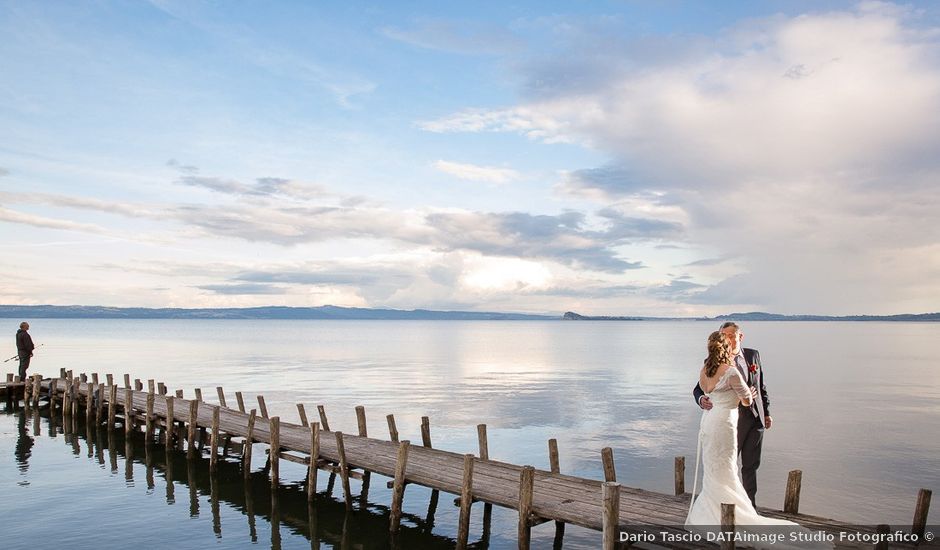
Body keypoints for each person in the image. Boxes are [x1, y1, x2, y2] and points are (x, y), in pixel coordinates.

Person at [685, 332, 829, 549]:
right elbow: (745, 400)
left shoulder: (705, 370)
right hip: (724, 423)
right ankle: (738, 514)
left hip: (709, 423)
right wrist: (749, 394)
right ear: (725, 348)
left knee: (715, 469)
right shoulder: (731, 371)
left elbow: (705, 388)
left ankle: (711, 513)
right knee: (726, 467)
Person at [693, 321, 770, 507]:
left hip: (755, 419)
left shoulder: (753, 355)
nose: (727, 339)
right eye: (724, 335)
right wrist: (701, 399)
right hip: (730, 421)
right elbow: (699, 389)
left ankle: (750, 506)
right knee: (727, 465)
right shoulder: (712, 364)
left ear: (740, 337)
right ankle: (727, 507)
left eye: (731, 335)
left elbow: (761, 385)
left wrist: (766, 412)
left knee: (751, 466)